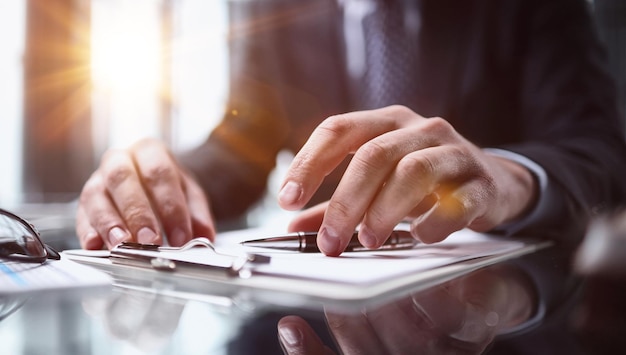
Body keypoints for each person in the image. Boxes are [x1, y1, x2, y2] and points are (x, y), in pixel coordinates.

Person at [76, 0, 626, 258]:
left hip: (513, 312)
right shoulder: (275, 12)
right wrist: (163, 179)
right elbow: (237, 154)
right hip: (322, 311)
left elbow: (599, 149)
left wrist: (506, 178)